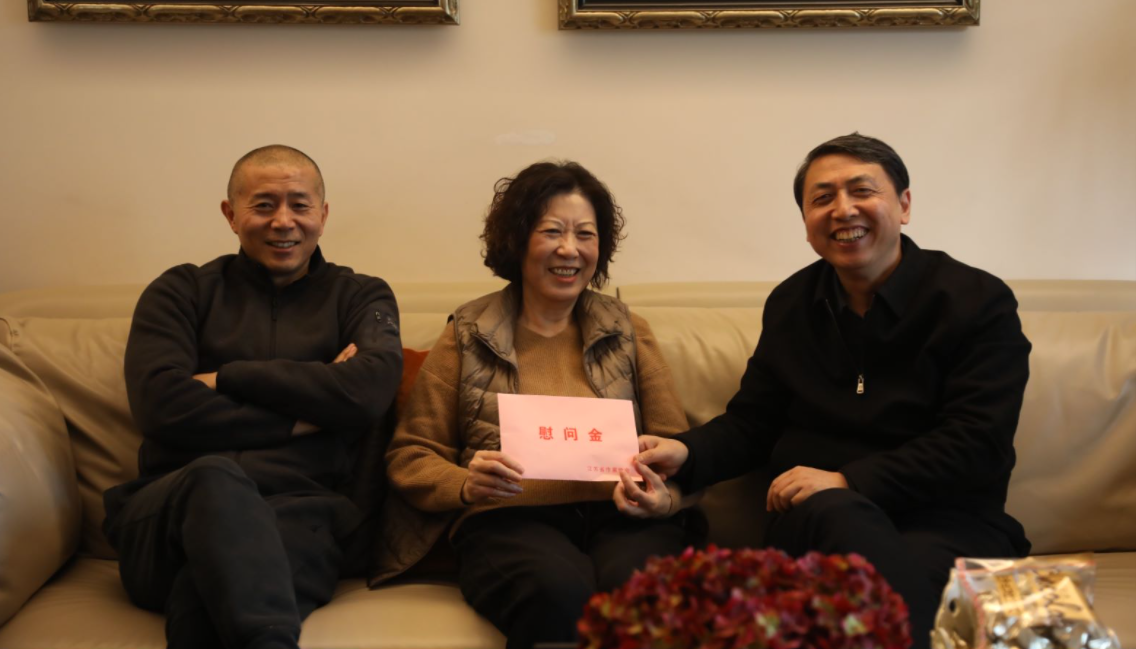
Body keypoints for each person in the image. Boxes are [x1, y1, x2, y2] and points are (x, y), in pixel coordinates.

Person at [638, 134, 1032, 649]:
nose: (843, 209)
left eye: (861, 191)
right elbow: (754, 423)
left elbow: (977, 441)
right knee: (841, 522)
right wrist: (685, 451)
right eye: (822, 198)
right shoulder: (792, 303)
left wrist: (849, 480)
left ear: (904, 205)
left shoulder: (975, 301)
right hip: (815, 523)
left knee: (885, 588)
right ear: (806, 223)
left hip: (947, 521)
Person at [378, 161, 696, 649]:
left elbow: (677, 447)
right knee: (557, 592)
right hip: (510, 521)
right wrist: (465, 483)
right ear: (518, 239)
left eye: (585, 234)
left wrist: (663, 497)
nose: (570, 249)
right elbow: (411, 454)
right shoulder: (468, 332)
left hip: (623, 517)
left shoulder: (628, 330)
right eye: (552, 231)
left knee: (638, 590)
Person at [103, 145, 403, 649]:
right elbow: (159, 404)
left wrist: (225, 377)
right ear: (231, 214)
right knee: (214, 477)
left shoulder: (360, 296)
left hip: (302, 514)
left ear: (323, 215)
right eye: (264, 205)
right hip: (171, 514)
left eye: (300, 205)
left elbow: (368, 390)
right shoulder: (181, 291)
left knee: (207, 595)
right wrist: (302, 417)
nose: (283, 221)